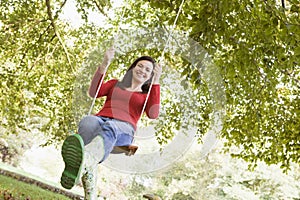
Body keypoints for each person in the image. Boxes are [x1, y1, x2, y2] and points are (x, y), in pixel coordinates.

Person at [60, 47, 162, 199]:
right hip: (101, 121)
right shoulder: (115, 84)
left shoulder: (146, 95)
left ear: (150, 75)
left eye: (148, 69)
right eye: (140, 66)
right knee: (88, 121)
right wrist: (104, 64)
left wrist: (156, 82)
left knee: (111, 126)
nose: (142, 70)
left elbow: (153, 114)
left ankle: (85, 161)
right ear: (133, 67)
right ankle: (86, 165)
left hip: (124, 131)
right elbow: (93, 92)